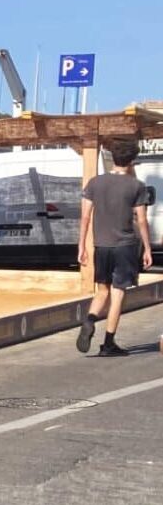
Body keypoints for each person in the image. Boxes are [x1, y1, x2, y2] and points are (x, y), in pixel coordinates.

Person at [77, 139, 152, 356]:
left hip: (101, 245)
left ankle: (90, 319)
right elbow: (142, 220)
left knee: (102, 290)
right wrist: (147, 248)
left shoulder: (94, 183)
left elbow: (84, 217)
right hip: (125, 246)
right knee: (118, 293)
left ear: (113, 158)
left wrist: (81, 246)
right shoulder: (136, 186)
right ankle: (108, 343)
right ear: (132, 162)